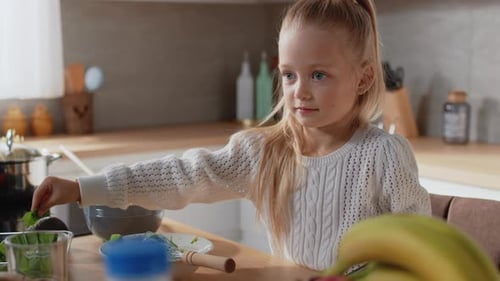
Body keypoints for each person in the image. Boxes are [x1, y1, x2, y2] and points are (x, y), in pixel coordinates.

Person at [31, 0, 431, 272]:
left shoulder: (384, 156)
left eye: (319, 75)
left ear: (363, 78)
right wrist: (83, 188)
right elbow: (182, 175)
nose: (299, 91)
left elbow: (420, 253)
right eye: (289, 74)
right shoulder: (266, 152)